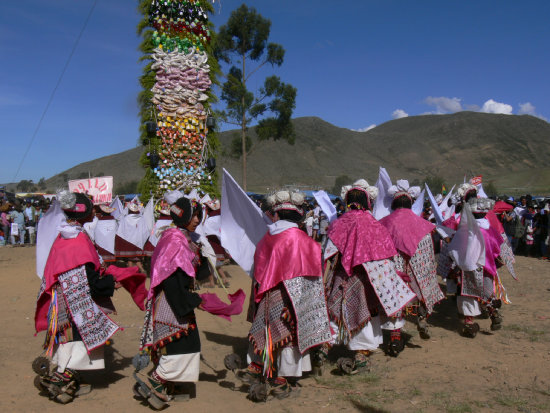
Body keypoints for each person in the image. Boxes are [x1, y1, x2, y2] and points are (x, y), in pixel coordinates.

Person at [240, 189, 331, 401]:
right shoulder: (306, 241)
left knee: (266, 329)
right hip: (291, 298)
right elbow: (316, 270)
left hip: (268, 294)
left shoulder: (267, 238)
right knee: (288, 334)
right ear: (299, 217)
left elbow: (258, 270)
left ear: (277, 214)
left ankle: (256, 366)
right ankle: (282, 380)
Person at [33, 190, 120, 404]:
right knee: (82, 337)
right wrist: (110, 284)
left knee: (69, 338)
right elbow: (89, 279)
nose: (95, 213)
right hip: (75, 300)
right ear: (85, 213)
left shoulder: (62, 236)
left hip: (61, 298)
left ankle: (65, 373)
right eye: (92, 209)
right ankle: (64, 378)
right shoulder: (79, 240)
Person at [320, 179, 416, 368]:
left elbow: (328, 252)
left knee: (336, 311)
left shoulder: (339, 224)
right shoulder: (375, 225)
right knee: (364, 311)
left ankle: (325, 347)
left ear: (347, 201)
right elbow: (385, 254)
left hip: (341, 276)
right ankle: (361, 354)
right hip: (367, 279)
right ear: (368, 202)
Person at [134, 196, 205, 409]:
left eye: (198, 215)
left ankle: (169, 384)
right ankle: (157, 380)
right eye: (193, 215)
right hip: (173, 299)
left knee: (175, 343)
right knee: (185, 343)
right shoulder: (176, 240)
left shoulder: (176, 236)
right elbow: (173, 276)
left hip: (174, 297)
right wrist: (190, 300)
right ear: (181, 215)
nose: (197, 219)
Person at [379, 180, 444, 344]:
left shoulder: (383, 223)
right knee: (421, 287)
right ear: (411, 202)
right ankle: (422, 317)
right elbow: (428, 251)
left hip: (395, 265)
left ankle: (395, 336)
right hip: (417, 263)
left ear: (394, 203)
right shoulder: (423, 224)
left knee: (394, 295)